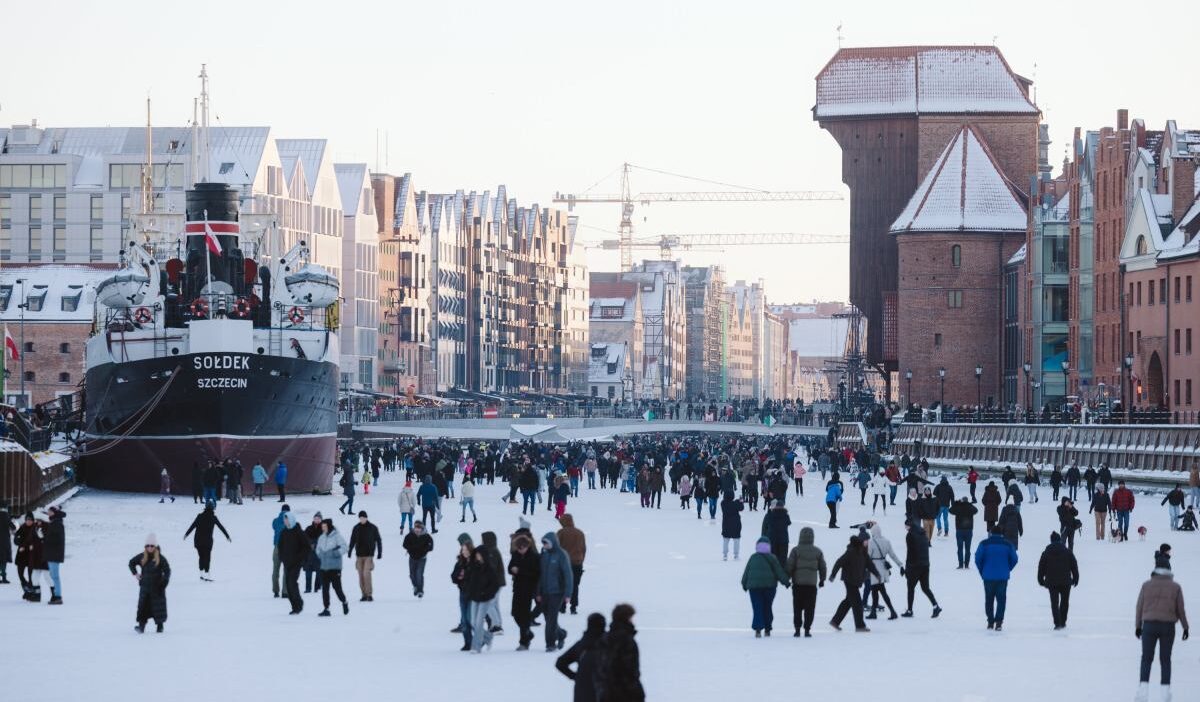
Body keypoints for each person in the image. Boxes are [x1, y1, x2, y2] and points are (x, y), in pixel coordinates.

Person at [1134, 548, 1189, 702]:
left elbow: (1139, 606)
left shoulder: (1146, 585)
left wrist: (1138, 626)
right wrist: (1185, 627)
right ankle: (1165, 693)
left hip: (1149, 625)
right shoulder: (1175, 587)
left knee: (1146, 658)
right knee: (1165, 659)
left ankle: (1143, 692)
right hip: (1168, 627)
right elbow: (1181, 609)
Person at [828, 535, 880, 632]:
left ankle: (835, 621)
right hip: (849, 580)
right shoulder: (851, 551)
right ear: (861, 541)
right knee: (857, 603)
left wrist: (876, 573)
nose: (867, 542)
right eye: (866, 540)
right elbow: (839, 562)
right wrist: (833, 574)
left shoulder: (863, 552)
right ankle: (860, 626)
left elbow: (869, 564)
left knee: (848, 601)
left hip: (855, 580)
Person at [741, 536, 790, 637]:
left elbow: (747, 572)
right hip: (769, 587)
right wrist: (786, 582)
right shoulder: (772, 558)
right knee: (767, 607)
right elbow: (779, 572)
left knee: (757, 607)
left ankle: (758, 629)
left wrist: (744, 583)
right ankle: (767, 628)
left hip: (754, 588)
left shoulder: (753, 557)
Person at [974, 525, 1019, 631]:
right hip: (1002, 577)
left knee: (989, 599)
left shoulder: (984, 544)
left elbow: (977, 559)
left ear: (991, 533)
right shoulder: (1007, 544)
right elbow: (1015, 559)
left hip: (988, 576)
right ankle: (999, 622)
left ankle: (990, 621)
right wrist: (1007, 568)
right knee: (1001, 599)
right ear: (1001, 533)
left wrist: (982, 571)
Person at [598, 603, 645, 702]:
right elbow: (630, 670)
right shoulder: (627, 641)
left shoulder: (605, 638)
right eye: (631, 618)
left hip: (606, 691)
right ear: (627, 618)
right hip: (624, 692)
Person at [785, 526, 826, 637]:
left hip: (797, 584)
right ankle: (807, 629)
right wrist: (822, 579)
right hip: (811, 585)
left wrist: (786, 579)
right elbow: (823, 567)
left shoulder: (795, 550)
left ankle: (797, 629)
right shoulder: (817, 551)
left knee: (797, 607)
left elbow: (790, 565)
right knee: (810, 607)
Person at [556, 613, 607, 702]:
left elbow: (560, 663)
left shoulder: (581, 644)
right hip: (605, 690)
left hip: (582, 691)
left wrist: (575, 676)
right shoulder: (610, 644)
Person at [538, 531, 574, 652]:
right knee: (548, 618)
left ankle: (550, 644)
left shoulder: (561, 555)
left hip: (557, 592)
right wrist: (538, 591)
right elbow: (540, 574)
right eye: (543, 544)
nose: (544, 546)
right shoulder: (544, 554)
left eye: (546, 543)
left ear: (553, 542)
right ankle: (561, 634)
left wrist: (568, 593)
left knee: (552, 619)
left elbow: (568, 575)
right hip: (545, 591)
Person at [128, 534, 170, 633]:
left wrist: (164, 582)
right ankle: (141, 627)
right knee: (143, 607)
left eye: (152, 546)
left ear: (155, 546)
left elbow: (167, 570)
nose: (149, 548)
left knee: (158, 607)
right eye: (148, 546)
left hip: (157, 588)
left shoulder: (160, 558)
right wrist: (136, 574)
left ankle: (160, 627)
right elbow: (131, 563)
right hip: (145, 588)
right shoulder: (142, 556)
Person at [1036, 531, 1078, 630]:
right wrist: (1076, 578)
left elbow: (1041, 567)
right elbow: (1074, 565)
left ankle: (1057, 623)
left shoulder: (1046, 552)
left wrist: (1040, 579)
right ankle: (1063, 621)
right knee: (1064, 602)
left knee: (1054, 603)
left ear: (1051, 541)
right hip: (1066, 581)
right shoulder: (1067, 551)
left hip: (1051, 581)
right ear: (1059, 540)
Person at [901, 519, 941, 618]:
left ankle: (910, 610)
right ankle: (936, 606)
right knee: (925, 588)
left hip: (915, 566)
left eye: (906, 526)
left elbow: (910, 553)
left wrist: (906, 569)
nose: (905, 528)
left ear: (909, 526)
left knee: (910, 588)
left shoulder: (910, 535)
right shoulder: (923, 534)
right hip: (925, 564)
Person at [509, 530, 541, 650]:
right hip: (517, 588)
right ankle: (528, 632)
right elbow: (509, 567)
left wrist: (520, 571)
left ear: (528, 546)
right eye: (519, 548)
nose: (520, 549)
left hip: (528, 589)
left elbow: (536, 573)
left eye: (522, 547)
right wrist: (512, 569)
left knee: (524, 615)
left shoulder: (534, 557)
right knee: (515, 613)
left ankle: (524, 641)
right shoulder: (515, 555)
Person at [183, 502, 230, 581]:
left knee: (201, 557)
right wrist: (227, 536)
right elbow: (221, 527)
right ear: (213, 508)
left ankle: (201, 574)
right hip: (207, 541)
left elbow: (193, 525)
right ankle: (207, 575)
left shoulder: (199, 516)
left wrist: (186, 534)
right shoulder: (213, 517)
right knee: (207, 557)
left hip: (198, 541)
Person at [466, 544, 500, 653]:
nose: (477, 556)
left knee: (479, 622)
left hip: (485, 599)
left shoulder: (490, 568)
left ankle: (476, 646)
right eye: (476, 555)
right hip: (474, 598)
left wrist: (487, 594)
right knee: (473, 622)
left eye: (479, 555)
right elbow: (470, 581)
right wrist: (470, 592)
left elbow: (495, 585)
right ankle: (488, 637)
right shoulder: (474, 566)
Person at [865, 523, 902, 621]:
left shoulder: (871, 542)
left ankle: (890, 612)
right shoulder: (887, 541)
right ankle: (875, 612)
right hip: (883, 569)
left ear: (873, 532)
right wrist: (900, 565)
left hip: (874, 569)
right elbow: (893, 555)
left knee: (878, 591)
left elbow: (867, 557)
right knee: (877, 591)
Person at [314, 518, 349, 617]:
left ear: (329, 526)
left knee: (337, 588)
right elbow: (318, 549)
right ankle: (326, 609)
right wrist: (320, 554)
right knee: (325, 589)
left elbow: (345, 547)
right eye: (322, 526)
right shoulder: (321, 537)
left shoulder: (337, 536)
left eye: (325, 526)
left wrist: (335, 553)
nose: (323, 528)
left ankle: (344, 601)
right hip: (324, 567)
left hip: (335, 568)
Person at [278, 512, 310, 615]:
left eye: (287, 519)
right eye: (284, 519)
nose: (285, 521)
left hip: (296, 563)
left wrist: (299, 558)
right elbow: (280, 546)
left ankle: (299, 604)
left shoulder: (298, 532)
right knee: (288, 584)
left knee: (292, 582)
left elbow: (307, 547)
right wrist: (282, 557)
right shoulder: (284, 532)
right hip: (287, 563)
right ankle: (294, 606)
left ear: (291, 520)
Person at [347, 510, 382, 602]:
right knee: (360, 575)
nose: (362, 519)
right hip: (359, 555)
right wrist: (350, 550)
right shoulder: (356, 528)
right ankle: (363, 594)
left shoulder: (373, 528)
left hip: (369, 555)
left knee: (366, 574)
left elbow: (378, 540)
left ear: (366, 518)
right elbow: (352, 540)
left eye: (363, 517)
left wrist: (379, 552)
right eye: (360, 518)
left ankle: (369, 594)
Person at [558, 514, 587, 615]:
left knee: (563, 584)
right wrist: (581, 559)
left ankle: (562, 606)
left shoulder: (561, 533)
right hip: (577, 563)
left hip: (564, 563)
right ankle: (573, 606)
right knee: (575, 585)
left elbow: (557, 548)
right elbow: (583, 548)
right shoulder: (580, 533)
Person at [402, 520, 433, 597]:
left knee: (419, 574)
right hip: (412, 558)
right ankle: (415, 587)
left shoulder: (426, 536)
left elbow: (431, 546)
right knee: (412, 575)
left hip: (422, 558)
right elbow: (404, 544)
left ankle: (420, 591)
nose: (417, 529)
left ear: (422, 528)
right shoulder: (410, 535)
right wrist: (410, 548)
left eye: (419, 528)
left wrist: (425, 550)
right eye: (416, 527)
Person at [42, 506, 65, 604]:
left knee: (55, 576)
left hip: (55, 553)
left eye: (50, 512)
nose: (48, 513)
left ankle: (58, 596)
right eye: (48, 512)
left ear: (54, 513)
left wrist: (45, 538)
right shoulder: (54, 522)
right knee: (53, 575)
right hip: (52, 553)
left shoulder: (57, 523)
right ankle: (56, 595)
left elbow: (57, 539)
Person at [949, 497, 978, 569]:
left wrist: (956, 504)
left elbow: (950, 510)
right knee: (968, 549)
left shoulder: (958, 507)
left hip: (959, 530)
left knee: (960, 548)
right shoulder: (970, 507)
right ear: (967, 501)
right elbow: (976, 510)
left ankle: (961, 564)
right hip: (969, 530)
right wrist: (969, 504)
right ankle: (967, 564)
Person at [761, 499, 791, 566]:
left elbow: (764, 529)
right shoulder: (785, 516)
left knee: (772, 561)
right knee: (782, 561)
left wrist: (763, 540)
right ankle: (782, 574)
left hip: (772, 540)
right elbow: (789, 522)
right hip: (783, 541)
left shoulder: (769, 515)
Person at [271, 504, 290, 599]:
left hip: (277, 547)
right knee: (286, 570)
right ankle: (285, 592)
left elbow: (274, 527)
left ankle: (275, 591)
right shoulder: (290, 521)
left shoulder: (275, 521)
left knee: (275, 569)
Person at [303, 513, 324, 593]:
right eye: (315, 518)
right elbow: (304, 538)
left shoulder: (324, 529)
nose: (316, 520)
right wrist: (310, 543)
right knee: (308, 572)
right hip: (309, 553)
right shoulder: (308, 528)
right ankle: (308, 588)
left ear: (321, 520)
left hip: (319, 554)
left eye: (318, 518)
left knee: (319, 572)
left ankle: (317, 588)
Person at [721, 491, 744, 561]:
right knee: (736, 540)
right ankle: (736, 555)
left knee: (725, 540)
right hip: (736, 524)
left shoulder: (723, 503)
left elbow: (729, 503)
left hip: (726, 524)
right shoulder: (736, 504)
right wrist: (740, 501)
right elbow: (741, 508)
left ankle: (725, 555)